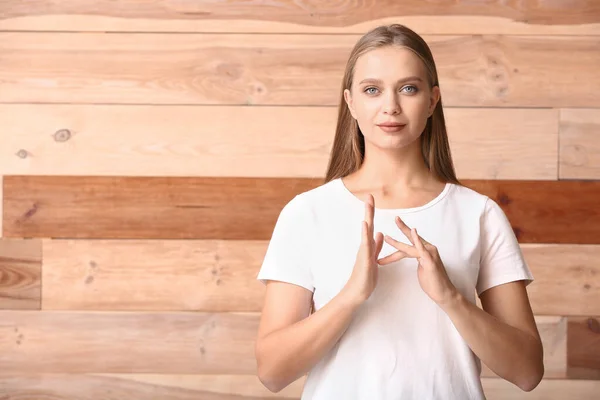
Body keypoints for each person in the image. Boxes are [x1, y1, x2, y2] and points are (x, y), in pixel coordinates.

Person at [254, 24, 544, 399]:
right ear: (351, 102)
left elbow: (527, 372)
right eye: (372, 90)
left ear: (433, 100)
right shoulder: (307, 213)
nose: (390, 106)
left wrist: (450, 298)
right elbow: (272, 372)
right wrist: (351, 296)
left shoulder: (479, 215)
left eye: (409, 88)